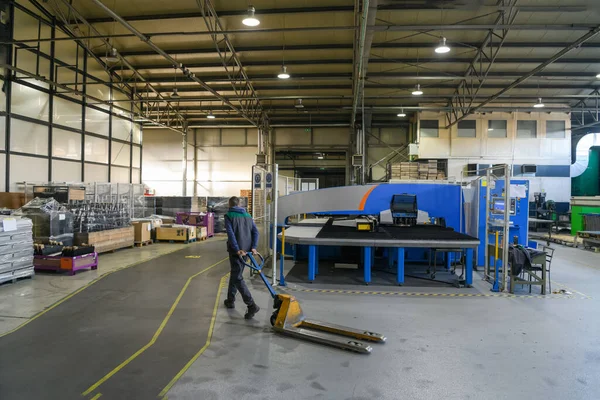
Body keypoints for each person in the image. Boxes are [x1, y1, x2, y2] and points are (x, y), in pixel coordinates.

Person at [223, 196, 261, 319]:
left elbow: (231, 234)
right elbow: (256, 232)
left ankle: (251, 305)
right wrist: (253, 247)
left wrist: (236, 248)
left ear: (229, 204)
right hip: (247, 251)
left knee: (237, 276)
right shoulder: (248, 216)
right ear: (239, 204)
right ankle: (230, 300)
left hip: (237, 252)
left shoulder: (229, 215)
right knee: (235, 273)